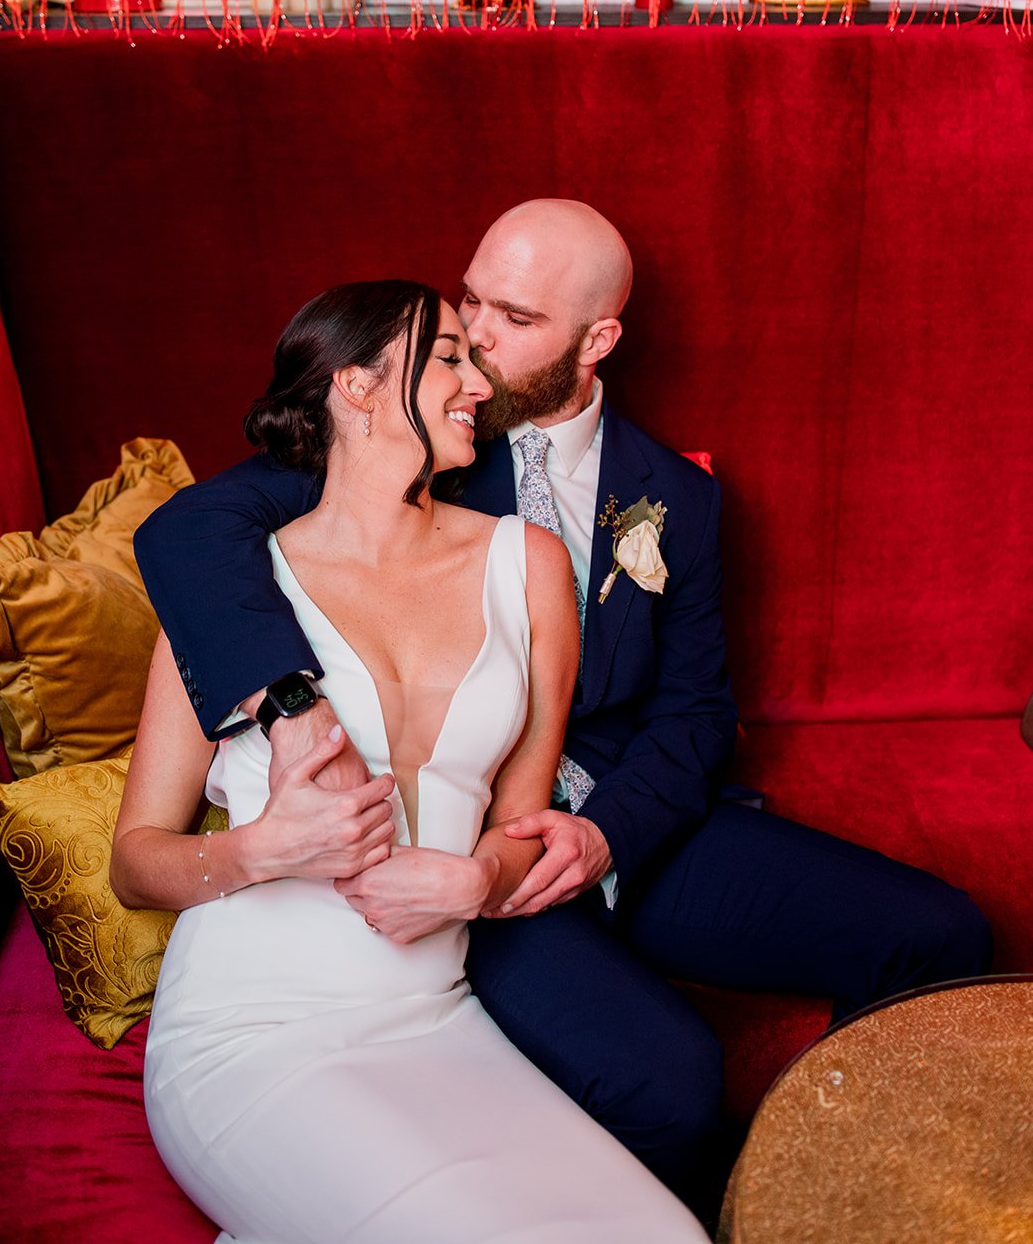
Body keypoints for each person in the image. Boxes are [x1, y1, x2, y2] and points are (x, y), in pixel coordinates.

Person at [133, 200, 992, 1206]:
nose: (479, 340)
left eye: (515, 318)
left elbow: (693, 715)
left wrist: (599, 838)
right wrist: (291, 707)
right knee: (668, 1081)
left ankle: (839, 1194)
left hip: (623, 827)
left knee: (935, 934)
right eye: (469, 304)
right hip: (465, 852)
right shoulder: (416, 438)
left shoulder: (676, 495)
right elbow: (188, 534)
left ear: (597, 341)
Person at [112, 279, 707, 1244]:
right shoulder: (234, 591)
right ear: (353, 387)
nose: (477, 377)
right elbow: (134, 862)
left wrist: (477, 878)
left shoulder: (529, 564)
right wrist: (265, 850)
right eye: (445, 357)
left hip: (437, 1016)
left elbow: (521, 821)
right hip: (253, 1031)